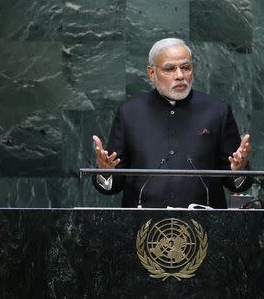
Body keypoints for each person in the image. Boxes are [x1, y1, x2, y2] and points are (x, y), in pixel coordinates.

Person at [91, 38, 252, 208]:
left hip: (205, 225)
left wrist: (238, 170)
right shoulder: (129, 113)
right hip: (143, 228)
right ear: (151, 73)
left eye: (185, 67)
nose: (180, 76)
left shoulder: (218, 111)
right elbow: (113, 185)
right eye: (169, 69)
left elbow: (236, 182)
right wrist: (106, 172)